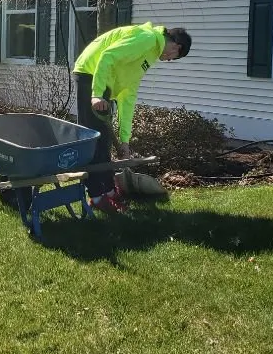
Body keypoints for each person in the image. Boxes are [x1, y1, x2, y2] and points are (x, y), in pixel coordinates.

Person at [73, 22, 192, 213]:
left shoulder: (150, 53)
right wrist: (96, 94)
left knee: (104, 142)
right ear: (177, 47)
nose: (169, 60)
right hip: (90, 73)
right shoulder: (147, 39)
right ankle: (96, 196)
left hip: (104, 83)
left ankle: (110, 192)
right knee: (93, 141)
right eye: (174, 58)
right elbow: (108, 55)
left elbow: (128, 96)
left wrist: (125, 141)